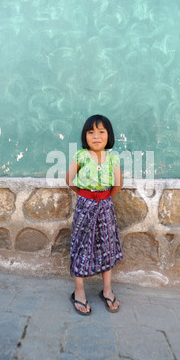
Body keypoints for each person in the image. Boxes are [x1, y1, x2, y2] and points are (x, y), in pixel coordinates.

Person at [65, 114, 123, 315]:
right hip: (84, 204)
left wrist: (103, 197)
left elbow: (117, 184)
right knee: (81, 244)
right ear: (85, 135)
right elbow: (70, 179)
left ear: (109, 135)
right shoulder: (80, 156)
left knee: (107, 244)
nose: (96, 136)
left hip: (106, 205)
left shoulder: (113, 158)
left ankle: (107, 289)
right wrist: (86, 196)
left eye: (101, 132)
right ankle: (78, 291)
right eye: (91, 132)